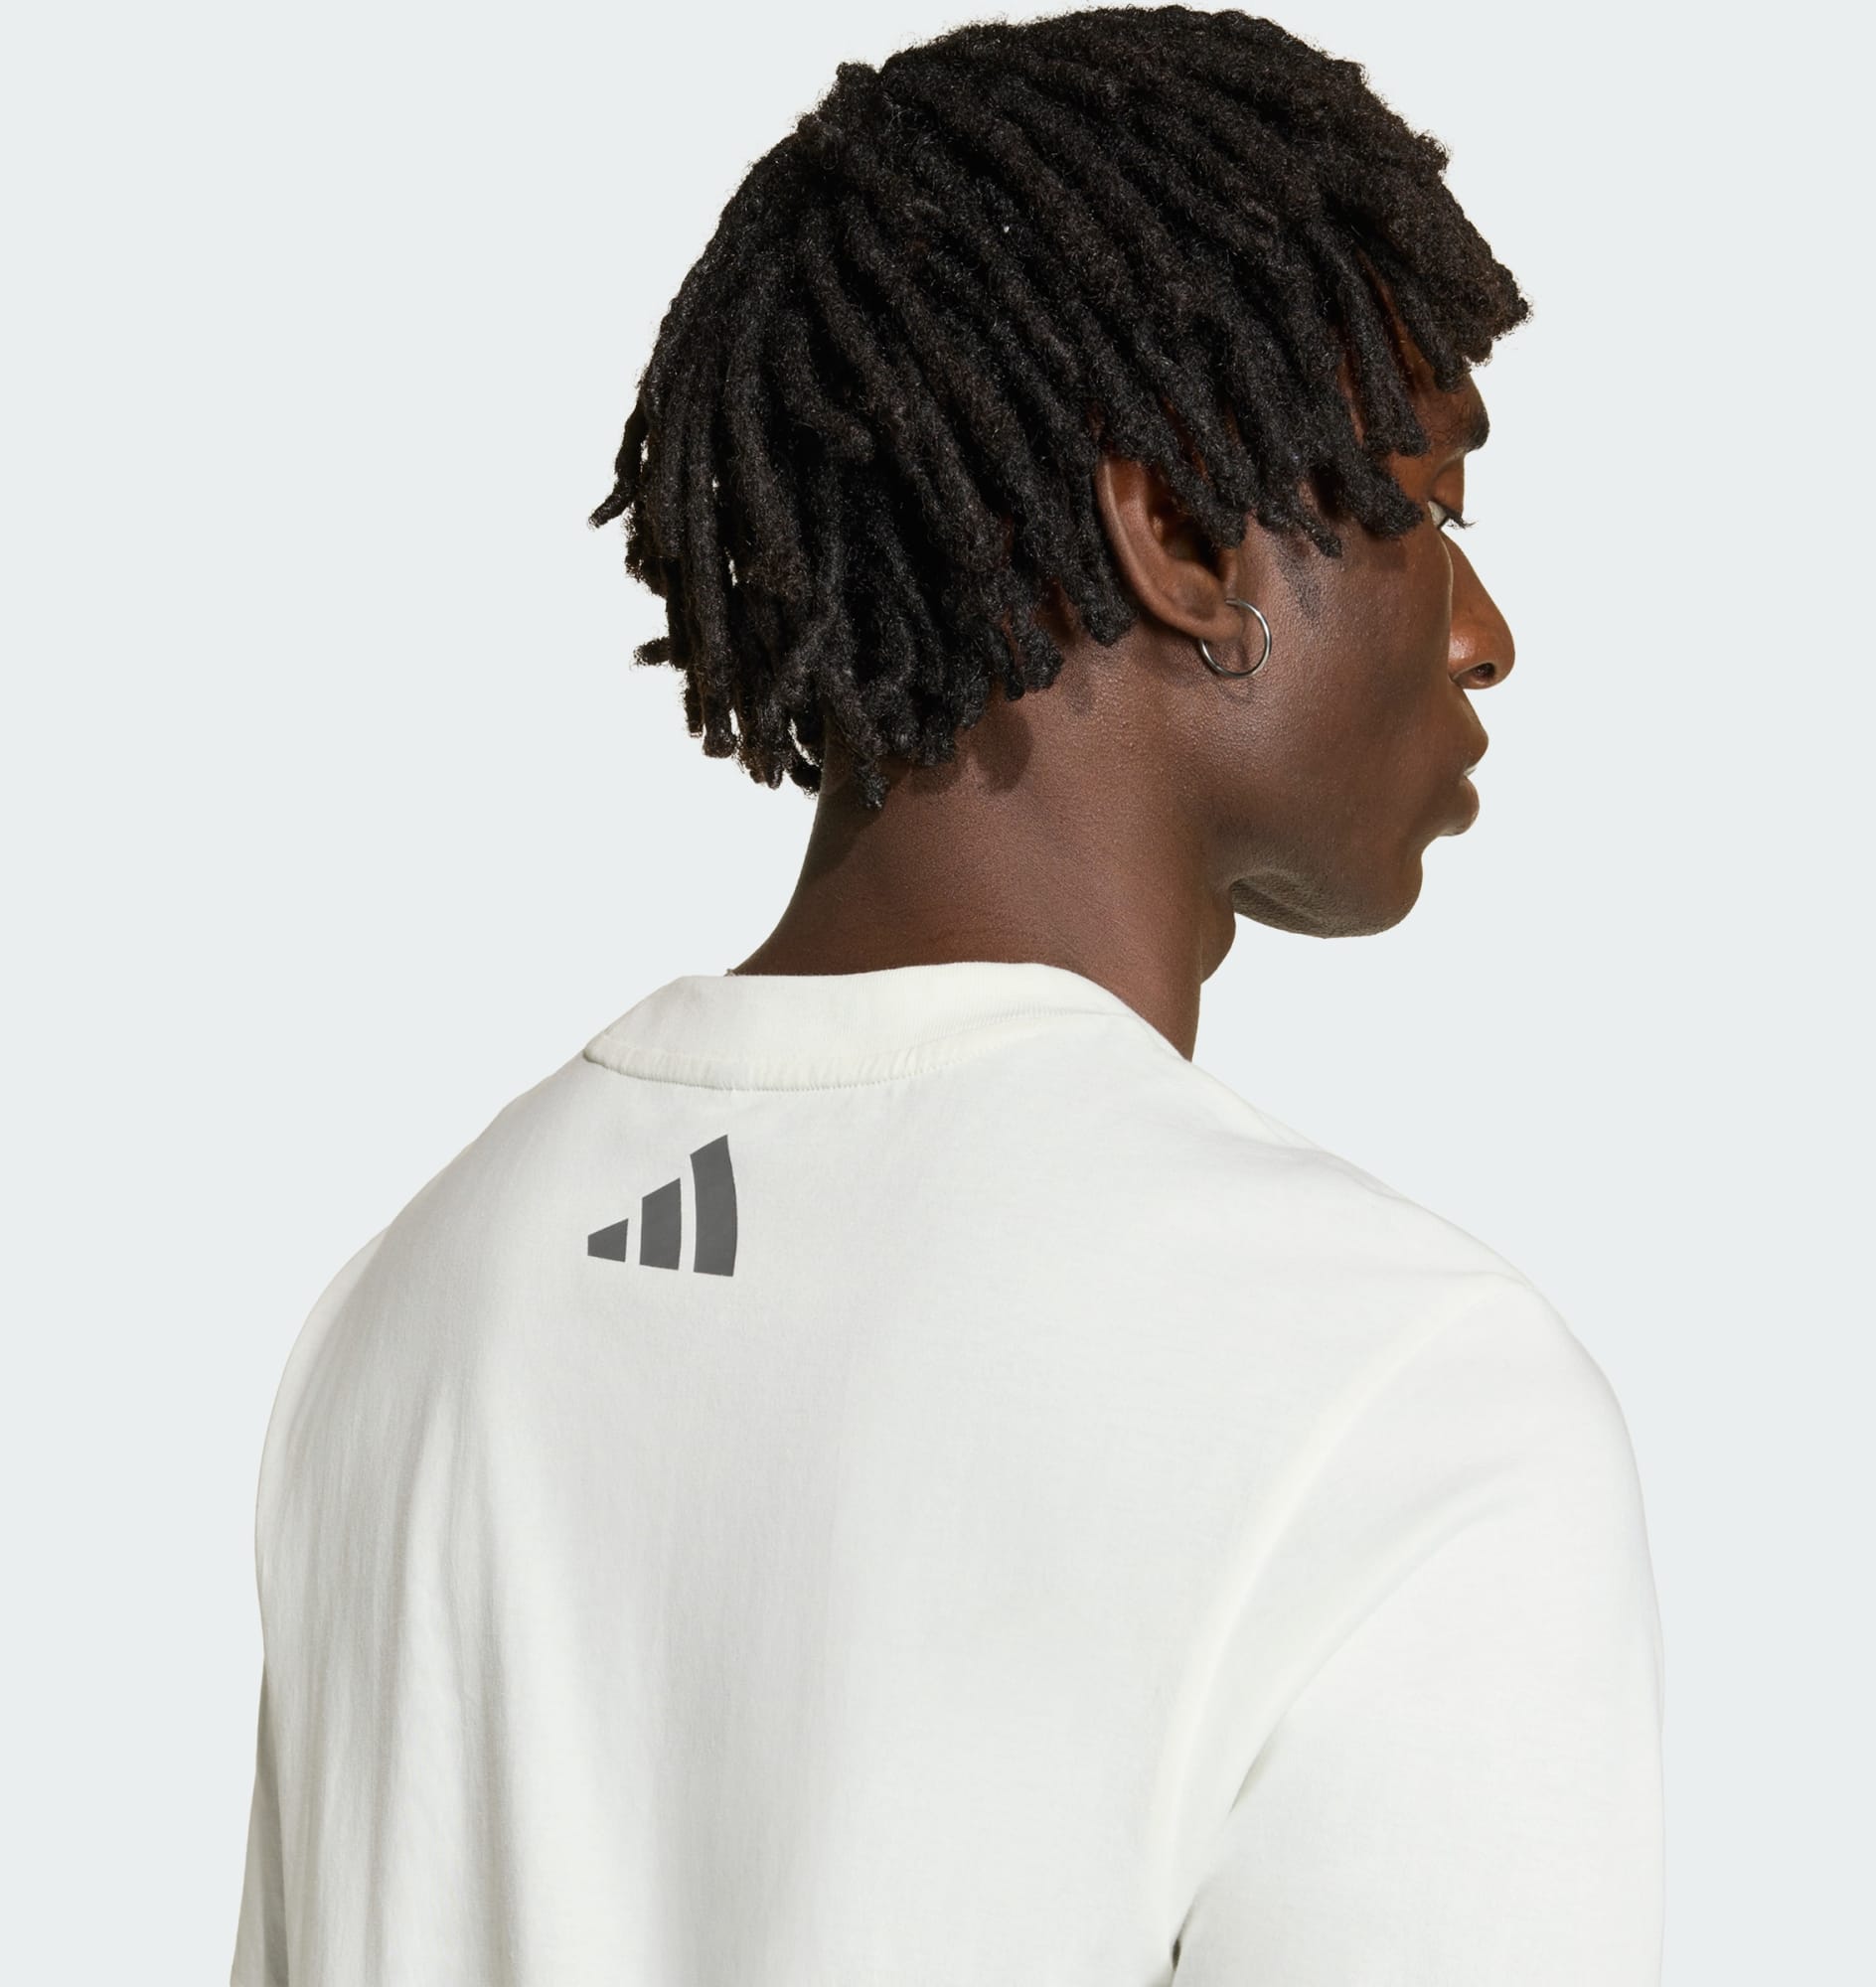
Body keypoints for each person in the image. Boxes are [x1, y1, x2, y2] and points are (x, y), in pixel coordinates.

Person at [232, 8, 1663, 1982]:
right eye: (1428, 513)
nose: (1483, 634)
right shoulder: (1402, 1395)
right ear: (1180, 538)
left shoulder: (412, 1315)